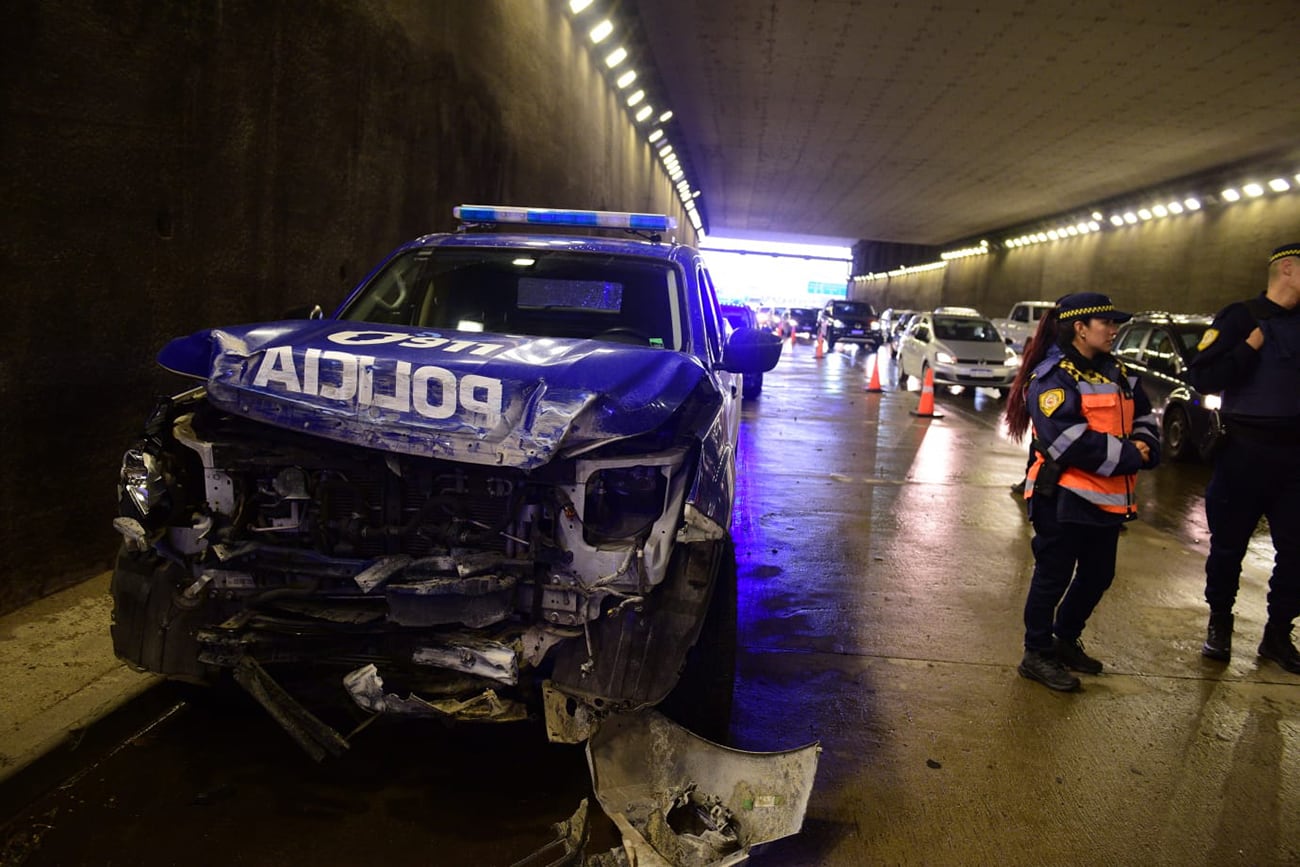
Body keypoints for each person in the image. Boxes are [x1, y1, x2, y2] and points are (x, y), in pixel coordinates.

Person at [1003, 292, 1161, 691]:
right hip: (1064, 496)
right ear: (1080, 328)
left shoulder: (1117, 371)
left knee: (1098, 575)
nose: (1114, 330)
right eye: (1106, 323)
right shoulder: (1054, 376)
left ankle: (1064, 639)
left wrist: (1147, 444)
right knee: (1052, 576)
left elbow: (1143, 415)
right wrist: (1131, 455)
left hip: (1106, 498)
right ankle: (1036, 653)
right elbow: (1067, 441)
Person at [1187, 243, 1300, 672]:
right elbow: (1202, 376)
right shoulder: (1241, 317)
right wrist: (1247, 349)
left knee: (1296, 552)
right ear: (1287, 269)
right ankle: (1220, 623)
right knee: (1228, 548)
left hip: (1295, 459)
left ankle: (1277, 634)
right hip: (1245, 452)